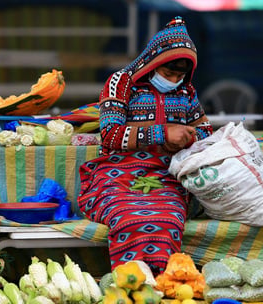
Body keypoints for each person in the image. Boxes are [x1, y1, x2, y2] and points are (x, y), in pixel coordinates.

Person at [77, 16, 213, 275]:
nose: (173, 79)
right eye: (168, 73)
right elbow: (110, 135)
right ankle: (132, 283)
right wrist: (163, 133)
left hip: (167, 177)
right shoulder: (121, 83)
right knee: (127, 216)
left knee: (167, 219)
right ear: (153, 63)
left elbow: (206, 131)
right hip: (118, 175)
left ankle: (160, 285)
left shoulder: (186, 92)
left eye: (179, 75)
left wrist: (186, 138)